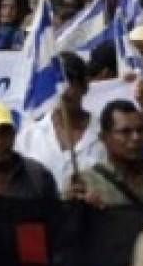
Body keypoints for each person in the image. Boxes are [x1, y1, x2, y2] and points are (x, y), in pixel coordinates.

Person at [15, 53, 104, 188]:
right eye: (56, 84)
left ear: (84, 86)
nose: (62, 92)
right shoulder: (29, 135)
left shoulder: (105, 134)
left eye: (69, 83)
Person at [69, 100, 143, 207]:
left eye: (140, 130)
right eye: (125, 132)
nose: (136, 137)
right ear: (104, 138)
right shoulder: (86, 183)